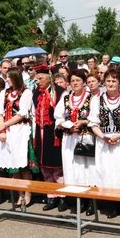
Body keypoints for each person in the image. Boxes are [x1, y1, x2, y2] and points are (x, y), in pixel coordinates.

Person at [88, 68, 120, 218]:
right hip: (104, 142)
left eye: (114, 81)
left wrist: (118, 136)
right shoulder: (97, 99)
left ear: (119, 82)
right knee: (107, 173)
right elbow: (93, 123)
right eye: (108, 80)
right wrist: (103, 137)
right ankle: (113, 205)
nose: (110, 83)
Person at [54, 69, 97, 214]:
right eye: (72, 81)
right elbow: (58, 117)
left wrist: (84, 122)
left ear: (84, 82)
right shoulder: (66, 98)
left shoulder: (92, 98)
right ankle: (78, 200)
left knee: (88, 169)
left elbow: (96, 117)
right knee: (72, 169)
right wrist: (69, 126)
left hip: (86, 139)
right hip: (69, 139)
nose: (75, 83)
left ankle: (91, 202)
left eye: (78, 80)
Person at [0, 68, 38, 208]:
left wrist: (4, 125)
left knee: (23, 165)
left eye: (8, 77)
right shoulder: (4, 92)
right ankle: (19, 194)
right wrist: (2, 128)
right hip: (8, 131)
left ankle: (27, 193)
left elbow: (22, 113)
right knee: (13, 165)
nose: (6, 80)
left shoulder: (26, 92)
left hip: (21, 130)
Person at [32, 65, 66, 212]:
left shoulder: (60, 93)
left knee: (57, 168)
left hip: (54, 134)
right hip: (40, 134)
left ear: (49, 77)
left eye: (40, 78)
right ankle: (51, 196)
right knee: (45, 168)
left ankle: (62, 197)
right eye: (36, 79)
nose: (38, 81)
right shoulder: (36, 94)